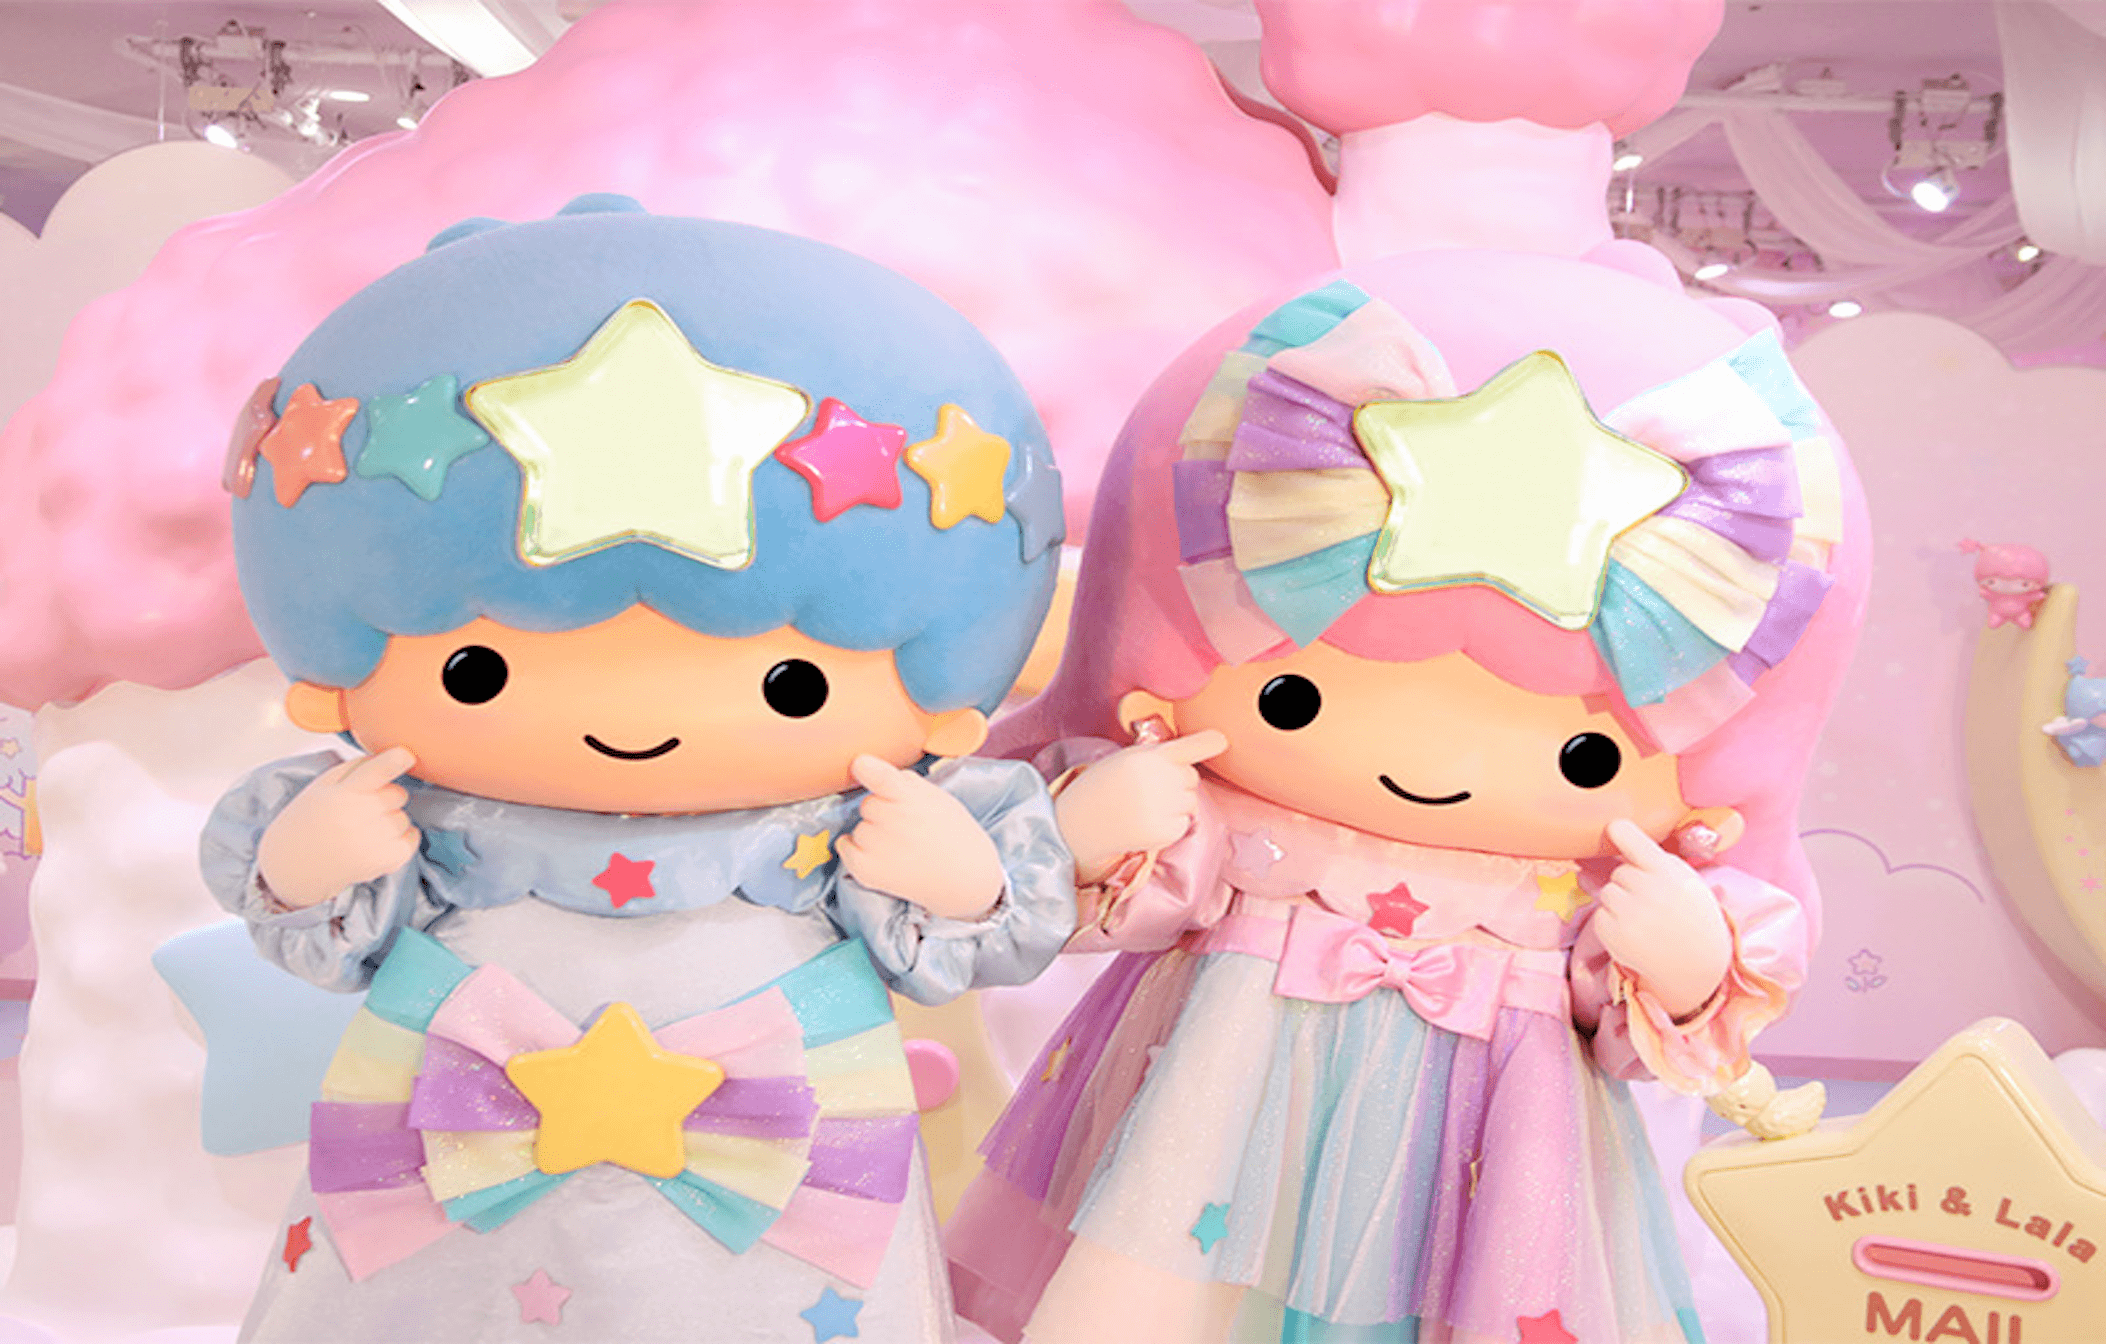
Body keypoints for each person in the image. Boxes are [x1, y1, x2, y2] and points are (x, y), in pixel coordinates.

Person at [948, 254, 1868, 1344]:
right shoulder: (1226, 817)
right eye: (1290, 699)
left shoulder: (1596, 885)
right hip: (1205, 1135)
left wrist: (1685, 964)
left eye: (1584, 755)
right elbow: (1122, 906)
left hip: (1493, 1164)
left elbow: (1634, 1042)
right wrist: (1099, 828)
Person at [202, 198, 1074, 1342]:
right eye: (476, 671)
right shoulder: (421, 817)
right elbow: (321, 934)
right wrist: (307, 867)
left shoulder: (855, 824)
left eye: (791, 684)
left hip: (774, 1210)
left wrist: (960, 884)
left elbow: (974, 943)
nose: (636, 719)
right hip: (448, 1186)